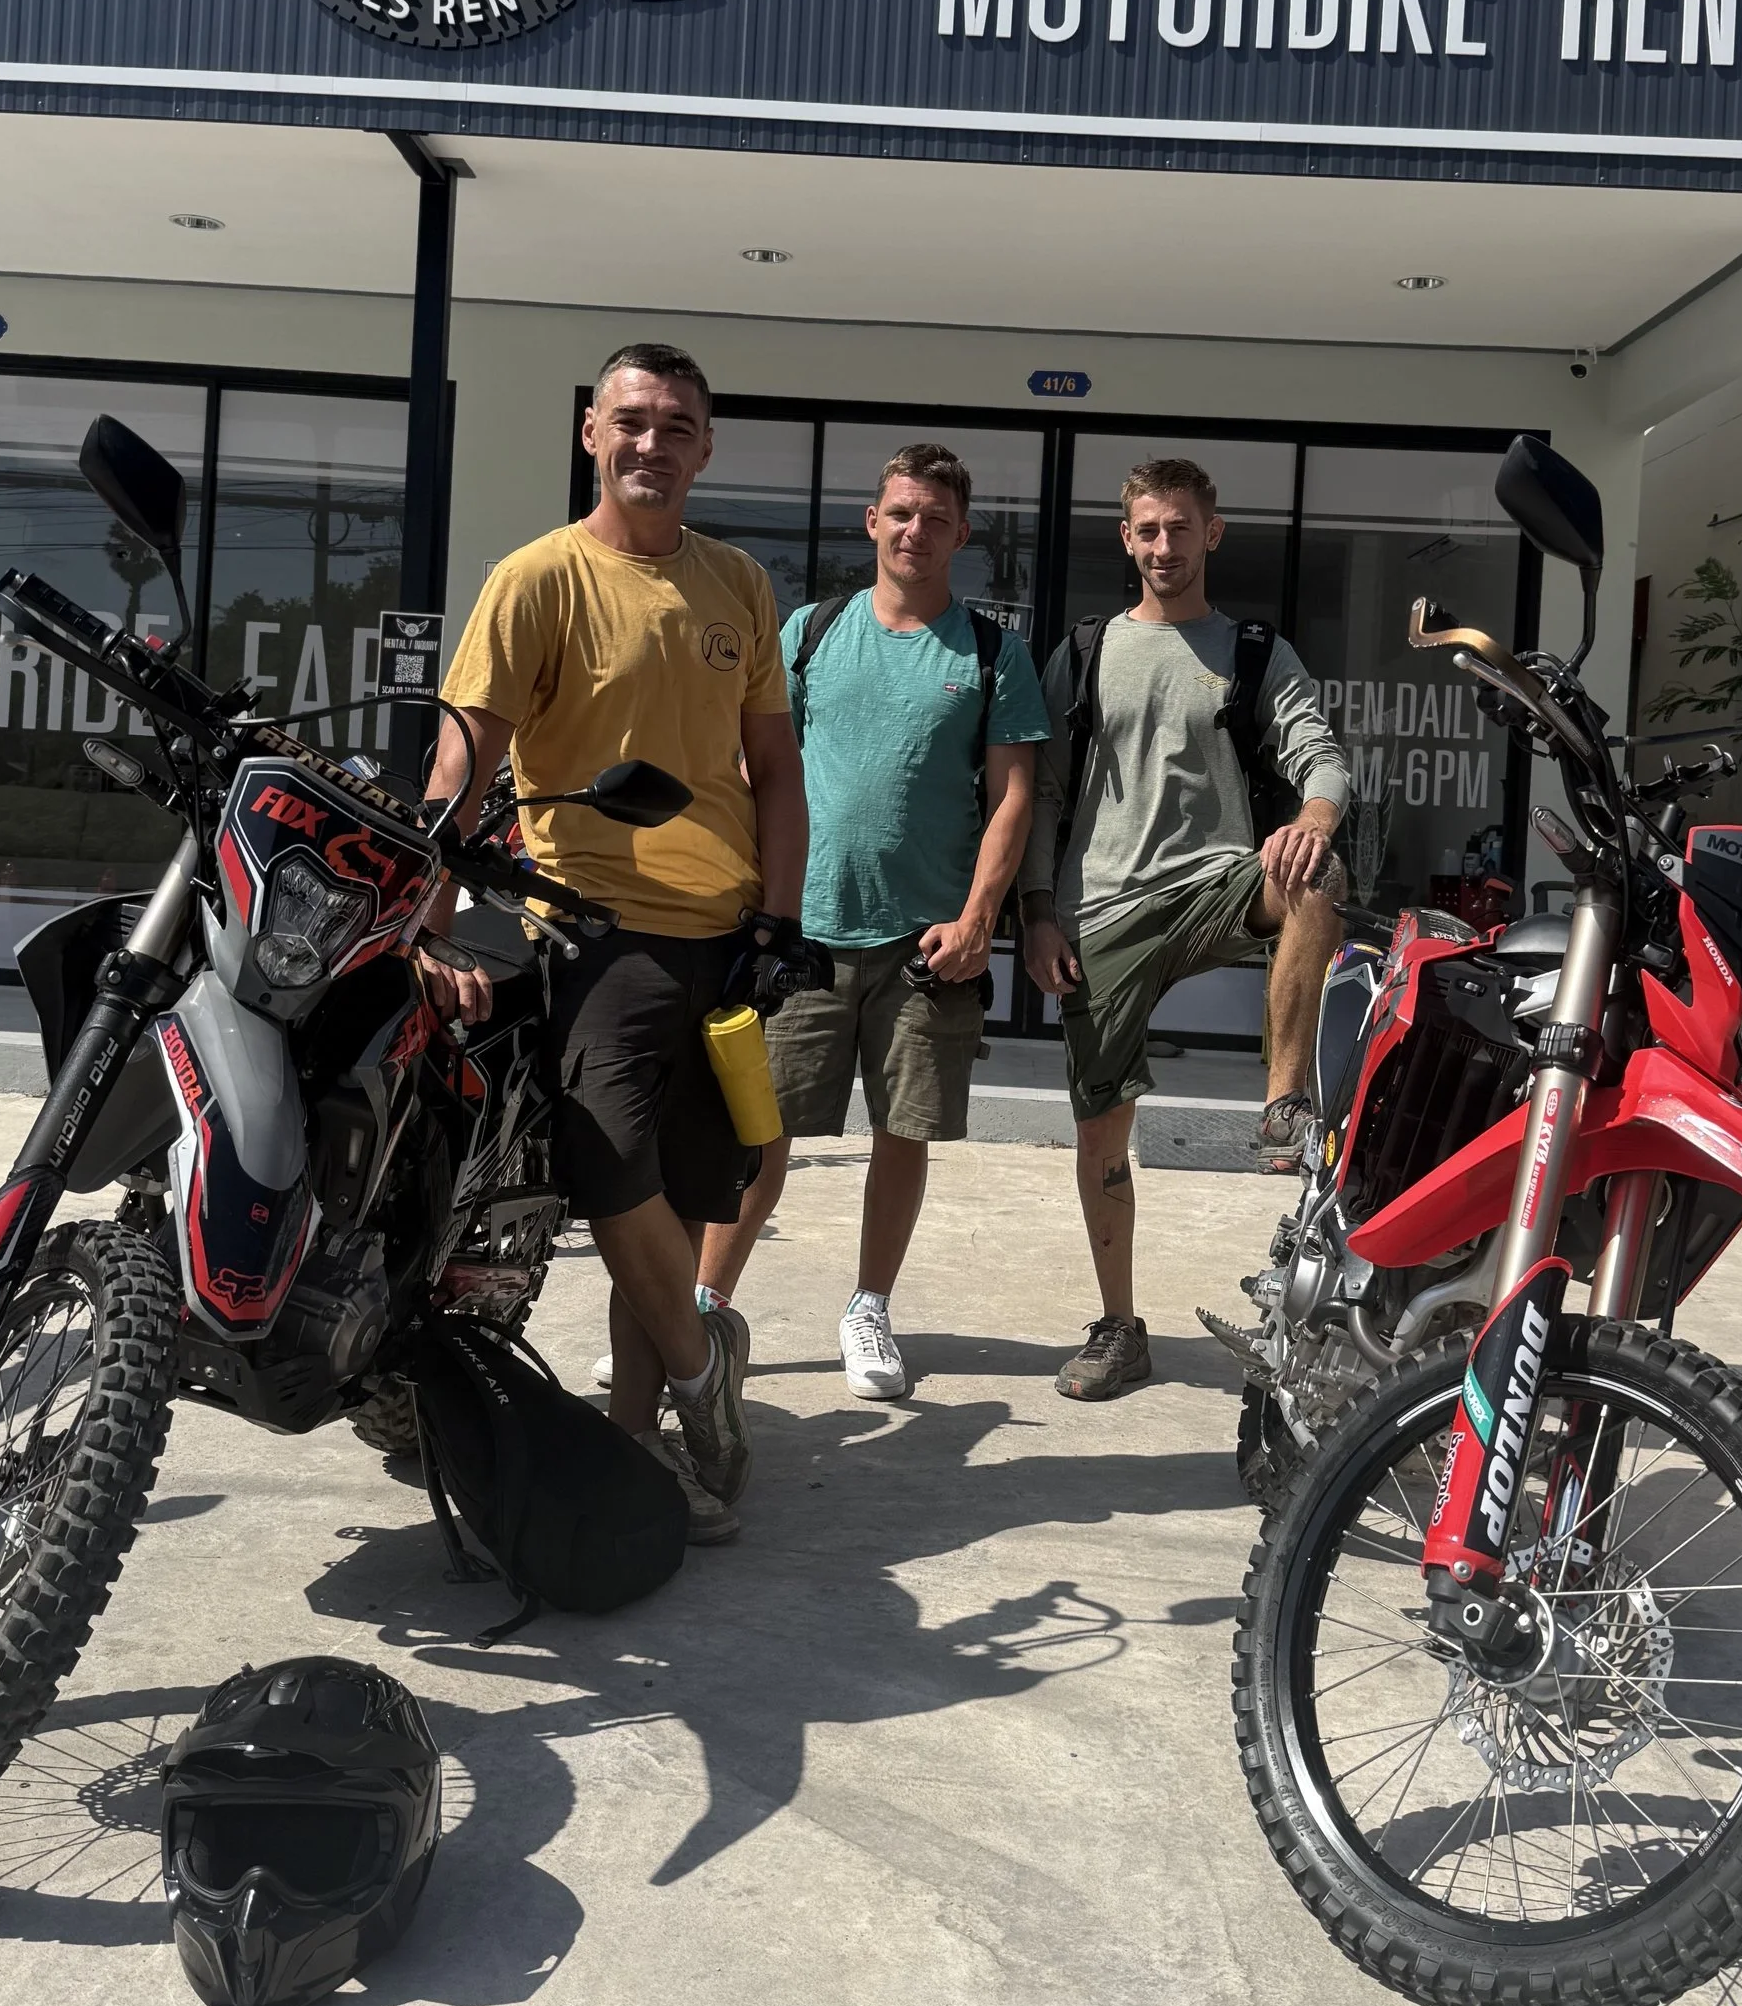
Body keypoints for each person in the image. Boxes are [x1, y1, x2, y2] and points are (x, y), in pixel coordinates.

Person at [419, 342, 810, 1543]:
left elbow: (776, 772)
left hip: (727, 935)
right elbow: (462, 758)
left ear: (705, 446)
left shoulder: (739, 584)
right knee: (610, 1168)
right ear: (591, 433)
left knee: (691, 1195)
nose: (654, 443)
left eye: (678, 425)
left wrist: (780, 922)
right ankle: (704, 1375)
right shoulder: (536, 579)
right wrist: (418, 925)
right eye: (631, 420)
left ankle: (648, 1456)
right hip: (589, 924)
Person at [697, 443, 1051, 1396]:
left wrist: (982, 918)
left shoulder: (989, 651)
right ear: (872, 521)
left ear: (961, 535)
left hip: (926, 943)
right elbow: (753, 774)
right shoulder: (809, 633)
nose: (915, 530)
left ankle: (869, 1310)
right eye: (901, 512)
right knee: (754, 1134)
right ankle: (699, 1312)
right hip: (801, 931)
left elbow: (1014, 796)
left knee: (904, 1132)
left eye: (936, 518)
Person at [1020, 456, 1348, 1401]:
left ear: (1214, 532)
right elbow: (1042, 795)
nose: (1165, 545)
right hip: (1101, 909)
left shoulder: (1253, 650)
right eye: (1148, 529)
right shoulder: (1082, 652)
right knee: (1100, 1143)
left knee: (1319, 876)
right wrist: (1037, 913)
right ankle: (1122, 1326)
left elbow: (1317, 752)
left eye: (1181, 527)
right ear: (1127, 538)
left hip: (1218, 884)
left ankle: (1282, 1101)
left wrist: (1313, 816)